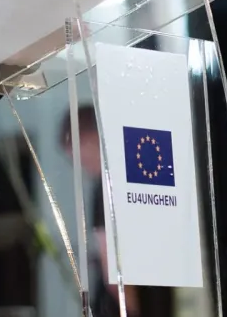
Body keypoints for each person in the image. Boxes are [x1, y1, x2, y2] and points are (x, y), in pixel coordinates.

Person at [58, 105, 174, 317]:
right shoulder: (140, 177)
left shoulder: (105, 188)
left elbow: (112, 267)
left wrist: (132, 311)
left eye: (80, 157)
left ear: (90, 138)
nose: (81, 166)